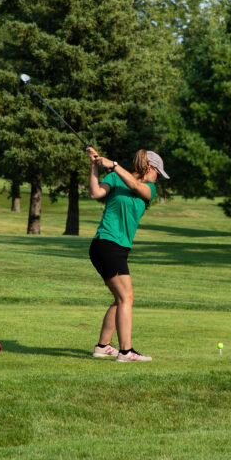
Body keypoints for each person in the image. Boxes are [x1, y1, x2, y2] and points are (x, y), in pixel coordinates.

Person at [87, 146, 169, 362]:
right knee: (127, 297)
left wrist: (113, 165)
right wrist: (94, 166)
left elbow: (134, 185)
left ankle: (102, 347)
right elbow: (95, 193)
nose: (157, 178)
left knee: (120, 298)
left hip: (117, 248)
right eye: (157, 173)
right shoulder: (115, 178)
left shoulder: (149, 189)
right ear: (149, 167)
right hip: (106, 243)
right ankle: (125, 351)